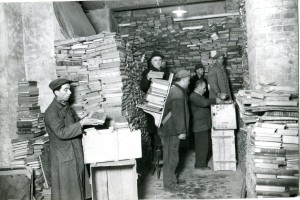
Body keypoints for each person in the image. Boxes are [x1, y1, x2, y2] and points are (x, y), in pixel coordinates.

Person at [44, 78, 100, 200]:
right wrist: (81, 124)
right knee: (68, 192)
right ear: (56, 92)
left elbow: (75, 123)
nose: (69, 92)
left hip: (74, 152)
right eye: (66, 90)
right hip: (64, 156)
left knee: (78, 189)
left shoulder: (67, 107)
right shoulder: (51, 112)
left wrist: (87, 119)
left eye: (69, 89)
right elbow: (61, 132)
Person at [159, 69, 190, 192]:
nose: (188, 82)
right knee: (171, 158)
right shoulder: (177, 94)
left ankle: (172, 178)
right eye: (188, 80)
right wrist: (181, 131)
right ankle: (169, 184)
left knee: (173, 156)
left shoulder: (175, 90)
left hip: (171, 129)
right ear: (182, 80)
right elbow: (178, 115)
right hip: (171, 131)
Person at [140, 51, 169, 163]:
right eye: (155, 60)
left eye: (159, 60)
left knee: (164, 127)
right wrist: (147, 77)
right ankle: (157, 156)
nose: (158, 62)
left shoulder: (165, 72)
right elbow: (143, 87)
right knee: (154, 130)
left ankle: (165, 155)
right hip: (152, 105)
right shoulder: (147, 72)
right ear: (151, 62)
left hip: (164, 104)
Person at [190, 79, 222, 170]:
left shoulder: (199, 95)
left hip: (203, 124)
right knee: (201, 146)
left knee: (204, 145)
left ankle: (201, 163)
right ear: (199, 87)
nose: (205, 90)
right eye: (204, 88)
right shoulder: (193, 96)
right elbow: (204, 103)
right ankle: (200, 164)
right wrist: (215, 100)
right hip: (199, 125)